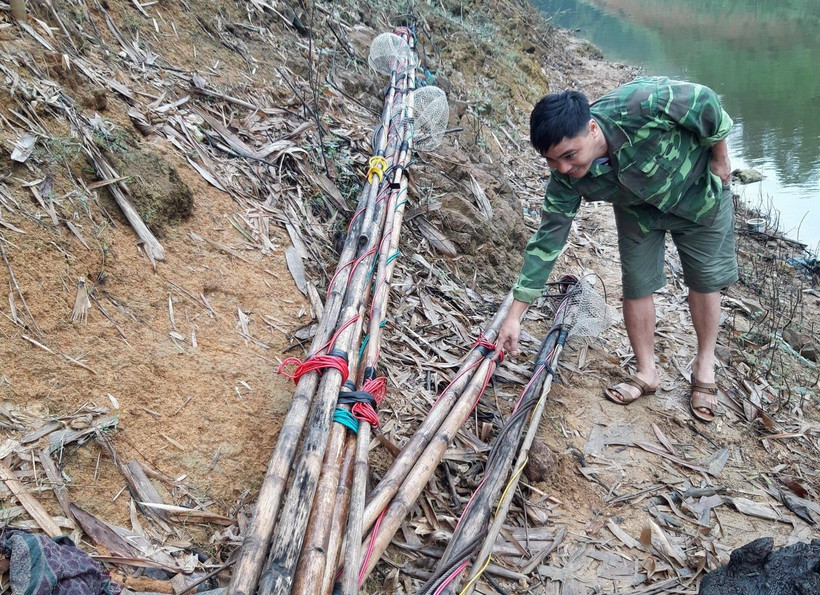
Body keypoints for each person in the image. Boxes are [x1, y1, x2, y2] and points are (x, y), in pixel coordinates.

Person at [496, 76, 736, 422]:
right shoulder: (565, 177)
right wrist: (514, 316)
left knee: (704, 280)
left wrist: (720, 157)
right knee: (636, 284)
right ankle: (646, 372)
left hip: (698, 191)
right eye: (552, 161)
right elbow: (547, 241)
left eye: (569, 155)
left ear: (592, 129)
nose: (564, 168)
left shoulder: (641, 104)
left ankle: (704, 365)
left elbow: (706, 100)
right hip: (638, 209)